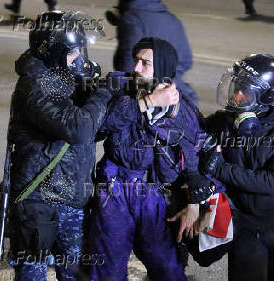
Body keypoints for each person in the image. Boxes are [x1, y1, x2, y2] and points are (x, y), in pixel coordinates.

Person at [86, 37, 206, 281]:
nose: (136, 68)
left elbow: (196, 155)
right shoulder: (121, 90)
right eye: (136, 61)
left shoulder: (181, 108)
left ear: (161, 68)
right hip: (114, 186)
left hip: (152, 192)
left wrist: (195, 203)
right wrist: (148, 102)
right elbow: (101, 124)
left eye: (145, 63)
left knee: (167, 267)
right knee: (108, 267)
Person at [6, 11, 112, 281]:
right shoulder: (33, 86)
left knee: (75, 275)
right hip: (39, 201)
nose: (79, 58)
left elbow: (91, 131)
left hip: (73, 199)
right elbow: (78, 129)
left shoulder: (66, 79)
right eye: (72, 52)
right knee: (32, 274)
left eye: (80, 50)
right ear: (52, 52)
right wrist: (104, 92)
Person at [200, 54, 274, 281]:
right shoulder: (226, 121)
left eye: (246, 91)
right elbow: (191, 135)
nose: (237, 96)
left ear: (267, 96)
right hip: (245, 221)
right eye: (236, 87)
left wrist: (220, 169)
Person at [110, 0, 197, 104]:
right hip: (179, 93)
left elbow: (126, 66)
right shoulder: (173, 20)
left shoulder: (132, 19)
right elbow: (186, 61)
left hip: (149, 96)